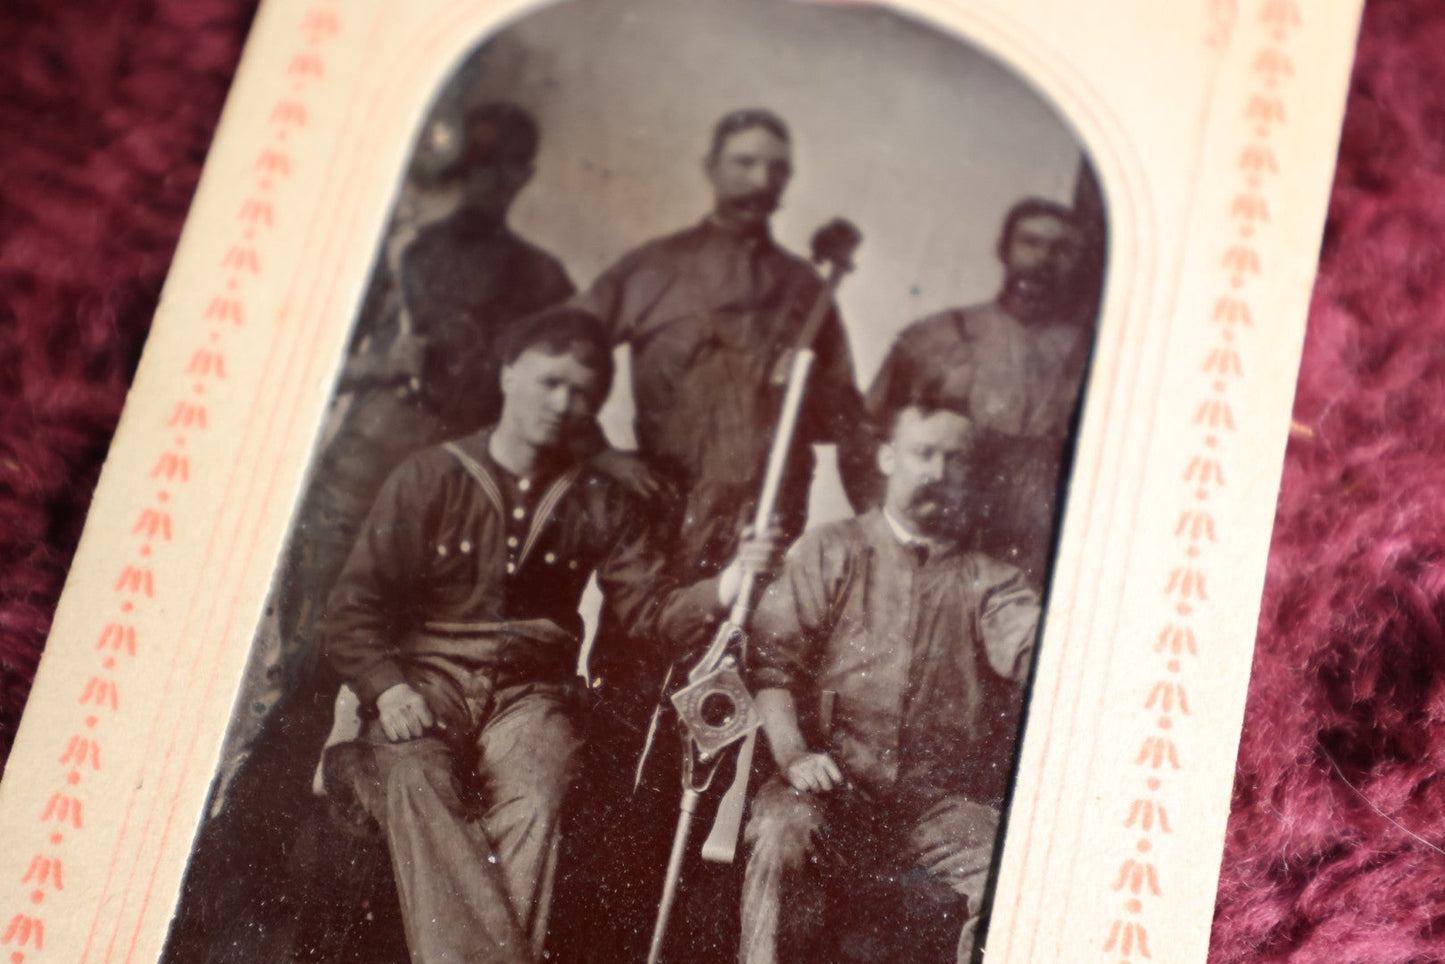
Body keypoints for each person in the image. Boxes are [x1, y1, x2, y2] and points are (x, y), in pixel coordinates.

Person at [319, 307, 770, 964]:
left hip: (531, 693)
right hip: (426, 682)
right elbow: (352, 608)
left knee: (539, 796)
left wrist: (726, 587)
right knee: (413, 775)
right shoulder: (429, 475)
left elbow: (647, 612)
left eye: (583, 393)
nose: (563, 404)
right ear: (508, 375)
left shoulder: (599, 499)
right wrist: (387, 691)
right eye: (549, 382)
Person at [554, 108, 871, 962]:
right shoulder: (652, 270)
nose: (756, 179)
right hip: (657, 539)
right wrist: (598, 455)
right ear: (711, 165)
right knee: (625, 740)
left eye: (773, 166)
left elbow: (847, 423)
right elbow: (561, 355)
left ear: (786, 180)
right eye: (741, 162)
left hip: (759, 547)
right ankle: (592, 944)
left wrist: (880, 531)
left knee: (723, 757)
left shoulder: (809, 295)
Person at [738, 394, 1041, 964]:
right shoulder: (829, 549)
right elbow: (771, 667)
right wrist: (795, 757)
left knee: (1016, 864)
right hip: (826, 786)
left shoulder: (990, 582)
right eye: (923, 453)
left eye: (956, 461)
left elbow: (1034, 650)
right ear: (886, 458)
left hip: (931, 804)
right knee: (781, 835)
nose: (937, 473)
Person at [864, 198, 1096, 584]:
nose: (1043, 259)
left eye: (1062, 250)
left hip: (1035, 562)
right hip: (935, 553)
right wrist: (896, 532)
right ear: (1004, 249)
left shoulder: (1096, 358)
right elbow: (866, 437)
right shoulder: (936, 338)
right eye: (1031, 242)